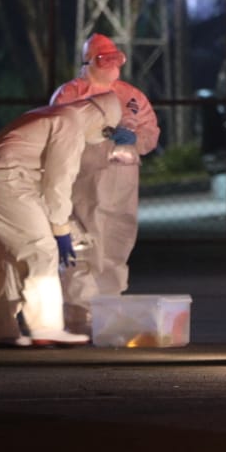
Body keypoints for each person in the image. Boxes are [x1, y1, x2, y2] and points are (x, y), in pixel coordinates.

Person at [0, 92, 122, 348]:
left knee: (2, 256)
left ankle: (0, 329)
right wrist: (60, 229)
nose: (102, 138)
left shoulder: (50, 114)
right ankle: (46, 328)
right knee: (42, 251)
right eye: (107, 132)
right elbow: (58, 182)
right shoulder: (70, 124)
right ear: (99, 118)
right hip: (8, 181)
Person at [50, 33, 161, 335]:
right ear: (88, 62)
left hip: (122, 181)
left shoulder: (131, 96)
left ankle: (108, 310)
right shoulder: (71, 94)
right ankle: (79, 312)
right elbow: (58, 133)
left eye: (116, 58)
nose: (112, 65)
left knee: (116, 242)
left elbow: (150, 133)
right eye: (104, 59)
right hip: (81, 181)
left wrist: (135, 140)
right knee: (82, 243)